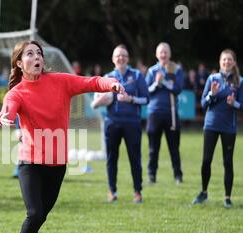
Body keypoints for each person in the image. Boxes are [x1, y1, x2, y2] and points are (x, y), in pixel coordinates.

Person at [0, 40, 123, 233]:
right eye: (30, 54)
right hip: (30, 162)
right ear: (20, 64)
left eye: (39, 53)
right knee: (34, 214)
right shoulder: (16, 92)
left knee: (40, 217)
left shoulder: (60, 81)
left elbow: (92, 82)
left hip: (57, 164)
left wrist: (111, 84)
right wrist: (7, 117)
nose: (36, 57)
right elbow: (9, 108)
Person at [93, 45, 149, 203]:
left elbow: (146, 99)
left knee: (134, 158)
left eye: (123, 55)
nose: (121, 58)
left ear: (128, 58)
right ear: (113, 59)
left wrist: (130, 99)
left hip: (132, 123)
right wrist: (102, 101)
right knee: (112, 159)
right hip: (112, 123)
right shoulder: (108, 77)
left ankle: (137, 192)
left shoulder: (137, 75)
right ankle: (112, 191)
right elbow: (95, 103)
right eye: (118, 56)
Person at [192, 49, 243, 208]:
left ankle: (227, 197)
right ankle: (204, 192)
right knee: (206, 160)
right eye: (224, 60)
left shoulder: (239, 81)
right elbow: (203, 103)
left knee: (228, 162)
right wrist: (212, 95)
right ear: (220, 62)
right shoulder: (212, 78)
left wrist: (233, 103)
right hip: (211, 125)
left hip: (229, 127)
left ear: (234, 62)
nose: (226, 62)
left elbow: (241, 105)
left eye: (229, 60)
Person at [145, 42, 184, 185]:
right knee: (153, 149)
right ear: (156, 55)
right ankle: (151, 176)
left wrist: (165, 82)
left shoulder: (176, 69)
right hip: (154, 114)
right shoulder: (151, 71)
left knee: (174, 148)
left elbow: (178, 89)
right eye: (161, 52)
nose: (163, 55)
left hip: (171, 114)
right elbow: (146, 91)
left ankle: (178, 176)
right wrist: (156, 84)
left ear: (170, 54)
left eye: (165, 52)